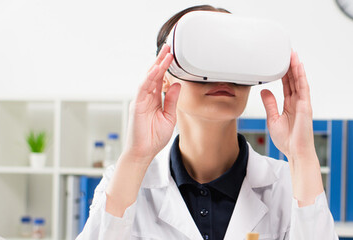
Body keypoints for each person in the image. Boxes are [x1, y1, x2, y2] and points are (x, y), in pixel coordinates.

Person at [77, 5, 338, 240]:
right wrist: (135, 157)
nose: (221, 75)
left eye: (233, 58)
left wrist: (302, 157)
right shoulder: (125, 182)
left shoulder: (287, 184)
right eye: (203, 55)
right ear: (165, 76)